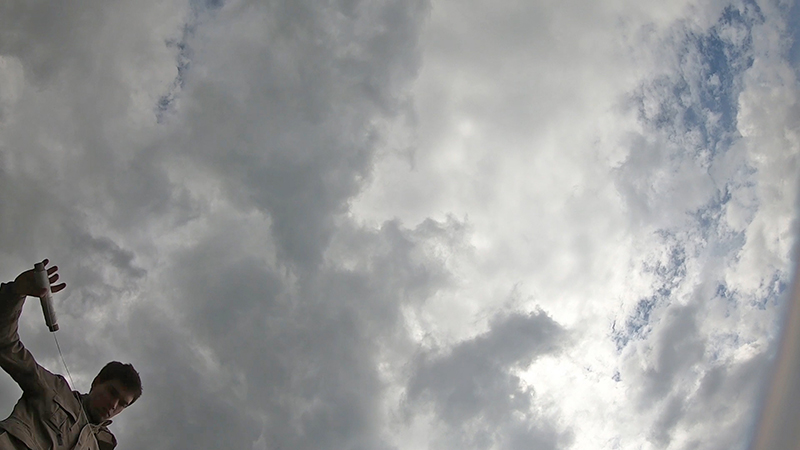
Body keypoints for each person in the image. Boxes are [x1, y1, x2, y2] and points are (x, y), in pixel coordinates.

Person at [0, 259, 141, 450]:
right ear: (97, 382)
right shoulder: (54, 389)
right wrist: (16, 292)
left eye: (122, 404)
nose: (113, 405)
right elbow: (6, 345)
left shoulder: (99, 446)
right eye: (112, 392)